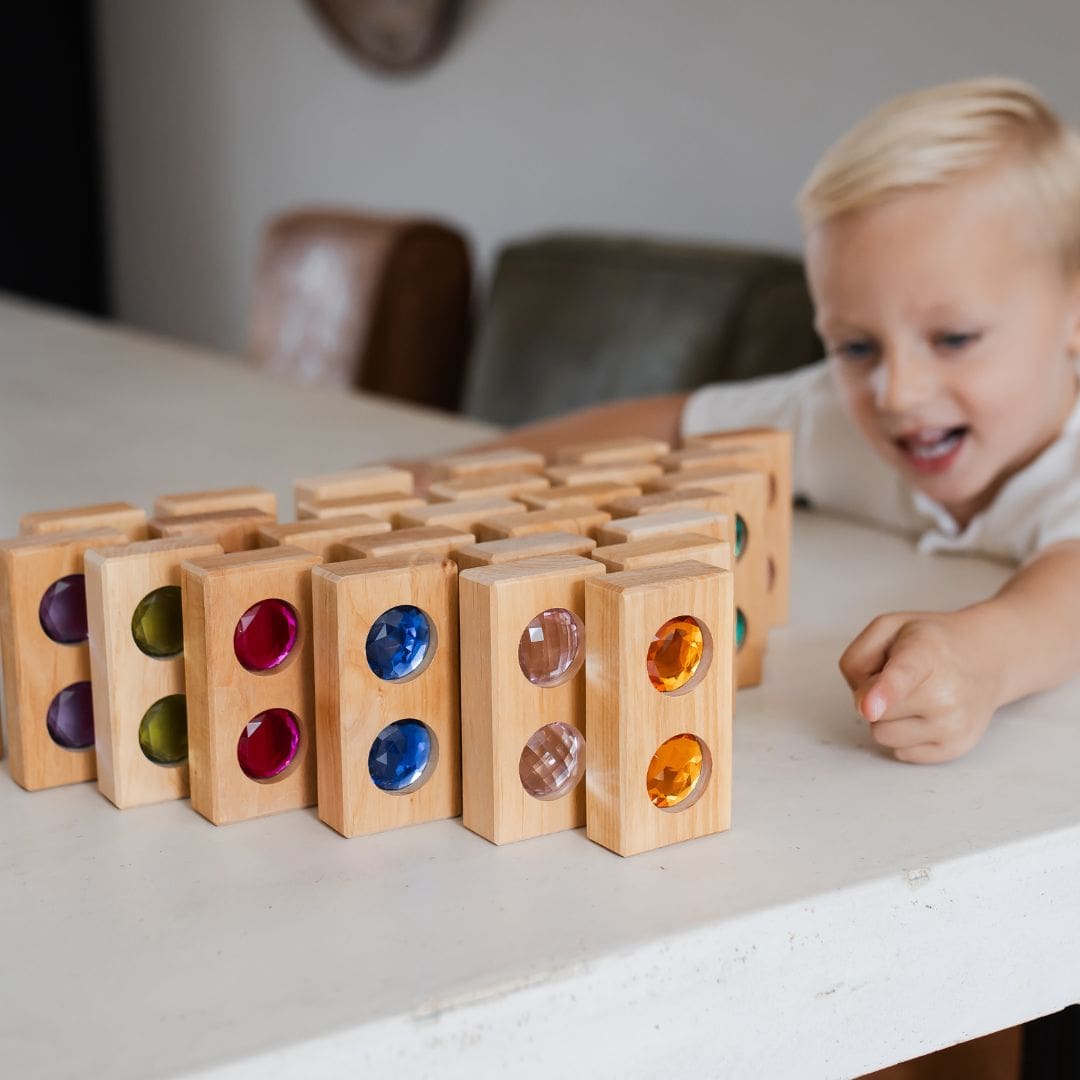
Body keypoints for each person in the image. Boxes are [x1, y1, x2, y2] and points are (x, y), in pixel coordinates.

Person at [439, 77, 1080, 764]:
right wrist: (446, 471)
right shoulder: (833, 413)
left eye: (954, 338)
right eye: (855, 347)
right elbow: (672, 424)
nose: (898, 392)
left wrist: (982, 656)